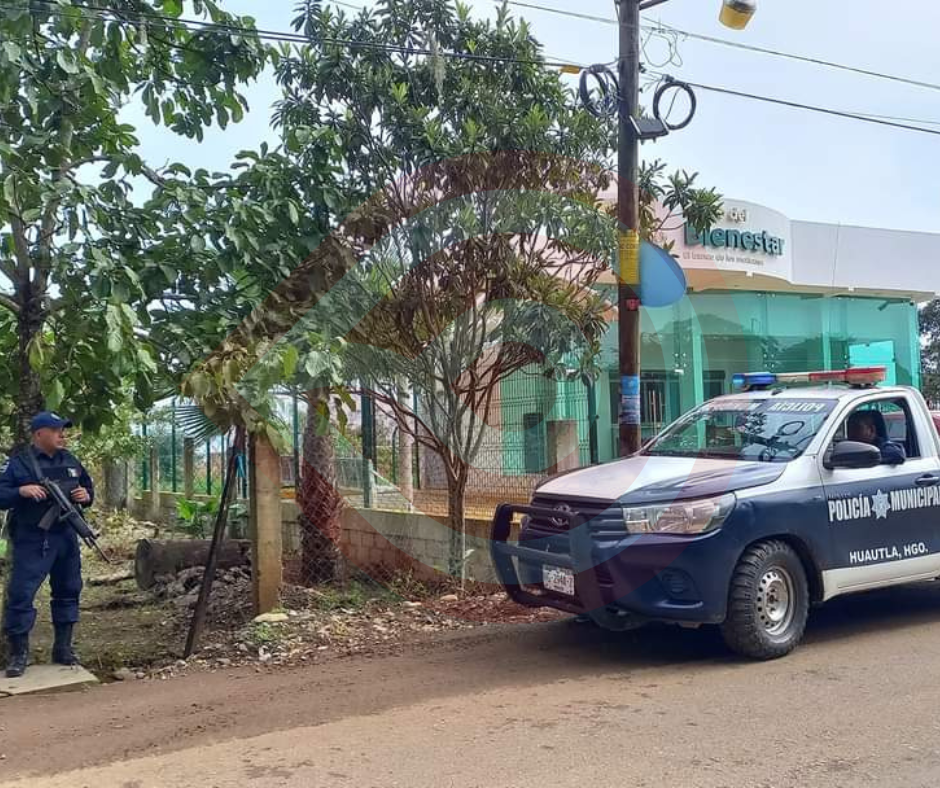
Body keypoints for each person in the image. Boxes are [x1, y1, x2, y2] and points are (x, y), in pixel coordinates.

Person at [1, 412, 93, 678]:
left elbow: (88, 489)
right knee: (22, 595)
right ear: (39, 434)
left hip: (66, 536)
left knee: (69, 590)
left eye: (63, 430)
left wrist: (85, 496)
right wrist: (20, 491)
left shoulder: (70, 460)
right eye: (56, 430)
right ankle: (18, 655)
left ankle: (63, 649)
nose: (62, 435)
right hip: (33, 539)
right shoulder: (19, 464)